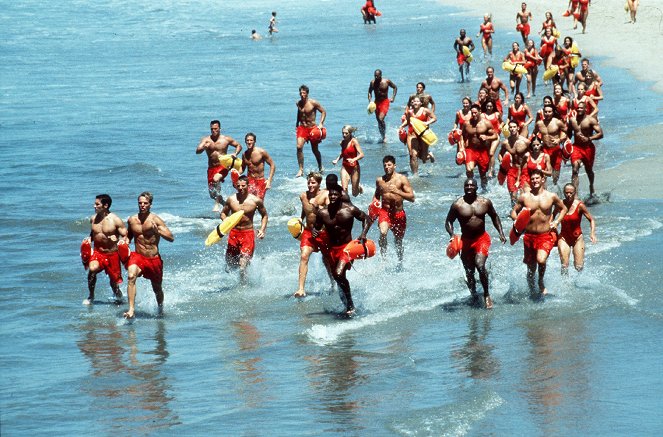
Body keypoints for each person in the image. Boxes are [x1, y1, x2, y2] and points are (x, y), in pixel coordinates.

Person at [313, 179, 371, 316]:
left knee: (338, 274)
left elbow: (366, 218)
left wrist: (363, 234)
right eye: (331, 195)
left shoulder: (349, 209)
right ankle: (346, 306)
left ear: (340, 195)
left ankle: (350, 305)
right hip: (332, 249)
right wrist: (315, 232)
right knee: (338, 277)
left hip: (347, 248)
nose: (333, 197)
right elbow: (316, 228)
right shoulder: (322, 213)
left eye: (335, 195)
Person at [445, 178, 506, 309]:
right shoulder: (457, 205)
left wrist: (501, 233)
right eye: (466, 185)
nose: (469, 187)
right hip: (465, 241)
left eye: (472, 185)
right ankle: (473, 295)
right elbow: (448, 221)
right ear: (463, 187)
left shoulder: (485, 202)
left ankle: (486, 294)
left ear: (477, 187)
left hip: (481, 239)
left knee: (480, 265)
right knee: (469, 272)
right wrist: (451, 235)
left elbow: (494, 216)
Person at [511, 169, 567, 298]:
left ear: (543, 179)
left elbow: (563, 208)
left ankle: (541, 281)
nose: (535, 181)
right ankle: (532, 292)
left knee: (541, 260)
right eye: (533, 179)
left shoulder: (551, 196)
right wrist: (517, 222)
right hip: (529, 236)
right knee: (531, 270)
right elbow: (514, 212)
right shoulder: (525, 197)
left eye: (537, 178)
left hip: (545, 235)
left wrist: (557, 221)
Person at [124, 192, 175, 319]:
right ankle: (131, 310)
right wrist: (125, 241)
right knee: (131, 276)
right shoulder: (131, 220)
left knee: (157, 288)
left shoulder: (155, 220)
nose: (142, 205)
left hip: (153, 259)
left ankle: (160, 308)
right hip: (138, 256)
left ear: (150, 205)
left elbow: (171, 238)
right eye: (140, 203)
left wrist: (158, 232)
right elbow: (128, 236)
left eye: (145, 203)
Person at [220, 175, 268, 284]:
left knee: (242, 264)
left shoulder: (256, 201)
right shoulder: (231, 199)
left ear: (248, 185)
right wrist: (226, 221)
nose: (240, 188)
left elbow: (264, 215)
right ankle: (243, 272)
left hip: (248, 234)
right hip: (234, 233)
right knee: (230, 263)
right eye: (238, 186)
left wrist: (262, 230)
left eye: (243, 186)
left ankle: (243, 285)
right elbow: (223, 213)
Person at [83, 194, 128, 305]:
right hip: (98, 253)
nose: (94, 206)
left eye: (97, 204)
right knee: (92, 269)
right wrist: (89, 238)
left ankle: (119, 296)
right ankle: (91, 296)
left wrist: (120, 240)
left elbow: (126, 235)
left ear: (105, 205)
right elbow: (93, 233)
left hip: (112, 254)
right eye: (95, 203)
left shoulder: (115, 220)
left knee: (114, 283)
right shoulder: (93, 219)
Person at [294, 172, 333, 298]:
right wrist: (301, 218)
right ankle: (300, 289)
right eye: (309, 182)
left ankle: (333, 283)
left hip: (323, 232)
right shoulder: (303, 195)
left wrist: (317, 205)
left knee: (327, 260)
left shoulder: (325, 194)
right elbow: (305, 209)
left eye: (313, 183)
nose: (310, 185)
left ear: (319, 183)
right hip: (308, 231)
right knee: (304, 255)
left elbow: (330, 212)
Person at [373, 155, 415, 269]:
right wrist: (374, 204)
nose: (387, 167)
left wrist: (398, 191)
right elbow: (377, 195)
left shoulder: (402, 179)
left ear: (394, 166)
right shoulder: (379, 180)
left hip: (398, 213)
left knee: (398, 240)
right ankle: (384, 259)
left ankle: (400, 261)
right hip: (385, 212)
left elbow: (412, 198)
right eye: (385, 165)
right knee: (383, 232)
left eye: (389, 165)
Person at [196, 120, 242, 211]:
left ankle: (216, 205)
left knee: (216, 179)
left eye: (216, 129)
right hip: (211, 168)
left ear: (220, 128)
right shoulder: (206, 140)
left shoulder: (226, 139)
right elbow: (197, 151)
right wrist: (203, 148)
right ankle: (227, 206)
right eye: (212, 129)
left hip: (223, 166)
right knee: (212, 194)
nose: (214, 131)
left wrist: (235, 153)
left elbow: (239, 146)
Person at [555, 183, 597, 275]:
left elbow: (591, 219)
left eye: (571, 193)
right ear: (564, 193)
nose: (568, 195)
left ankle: (579, 285)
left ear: (574, 193)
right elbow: (551, 217)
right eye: (566, 193)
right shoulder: (560, 204)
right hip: (563, 238)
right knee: (564, 266)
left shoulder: (580, 205)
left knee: (579, 267)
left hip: (577, 238)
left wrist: (592, 233)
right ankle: (565, 285)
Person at [568, 101, 603, 198]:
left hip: (588, 148)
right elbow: (569, 134)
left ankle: (591, 186)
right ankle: (575, 195)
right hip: (576, 147)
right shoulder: (572, 120)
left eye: (581, 108)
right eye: (577, 108)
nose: (579, 109)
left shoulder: (591, 120)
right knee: (575, 168)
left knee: (589, 171)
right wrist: (563, 142)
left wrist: (589, 138)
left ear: (585, 109)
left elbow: (600, 134)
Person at [460, 104, 497, 190]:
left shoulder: (486, 123)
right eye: (472, 113)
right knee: (469, 169)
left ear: (480, 112)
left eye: (475, 113)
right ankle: (471, 187)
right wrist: (461, 147)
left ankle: (484, 191)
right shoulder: (467, 123)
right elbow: (462, 136)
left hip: (483, 151)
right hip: (471, 150)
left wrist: (487, 137)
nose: (474, 115)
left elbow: (495, 135)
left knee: (483, 175)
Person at [532, 104, 567, 185]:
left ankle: (555, 187)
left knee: (555, 175)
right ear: (543, 112)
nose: (547, 113)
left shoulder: (557, 122)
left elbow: (566, 131)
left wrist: (559, 139)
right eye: (546, 112)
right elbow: (534, 134)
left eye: (549, 112)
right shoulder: (539, 123)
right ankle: (543, 191)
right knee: (543, 172)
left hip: (556, 150)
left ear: (552, 112)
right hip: (544, 149)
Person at [401, 96, 437, 175]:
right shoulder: (409, 112)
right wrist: (401, 127)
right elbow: (407, 121)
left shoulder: (425, 110)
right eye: (414, 101)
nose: (415, 103)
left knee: (423, 158)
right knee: (413, 155)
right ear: (412, 103)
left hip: (423, 134)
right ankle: (415, 174)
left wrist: (427, 123)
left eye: (417, 101)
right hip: (412, 135)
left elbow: (434, 118)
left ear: (421, 103)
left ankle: (429, 155)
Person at [295, 85, 326, 177]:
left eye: (303, 93)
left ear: (307, 93)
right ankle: (301, 169)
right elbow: (300, 113)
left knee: (315, 150)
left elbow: (323, 111)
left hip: (312, 128)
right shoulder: (299, 103)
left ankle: (320, 166)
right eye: (300, 93)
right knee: (299, 147)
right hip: (302, 128)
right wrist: (297, 122)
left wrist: (321, 123)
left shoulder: (313, 103)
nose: (302, 94)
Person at [241, 132, 276, 200]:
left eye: (251, 140)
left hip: (260, 181)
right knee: (248, 200)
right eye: (247, 140)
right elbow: (242, 168)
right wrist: (235, 173)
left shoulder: (261, 152)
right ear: (245, 142)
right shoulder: (244, 154)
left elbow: (272, 165)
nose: (249, 142)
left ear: (255, 141)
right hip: (250, 181)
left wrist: (269, 180)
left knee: (258, 201)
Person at [332, 125, 364, 197]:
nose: (344, 135)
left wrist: (353, 159)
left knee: (354, 193)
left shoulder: (354, 141)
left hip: (354, 167)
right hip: (345, 167)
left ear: (350, 133)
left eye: (346, 133)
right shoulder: (342, 142)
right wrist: (336, 160)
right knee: (344, 190)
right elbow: (343, 153)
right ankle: (346, 205)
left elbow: (362, 154)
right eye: (343, 133)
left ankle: (359, 188)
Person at [368, 69, 397, 143]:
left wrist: (393, 97)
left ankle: (384, 137)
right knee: (378, 121)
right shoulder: (372, 82)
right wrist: (370, 101)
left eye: (377, 76)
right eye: (375, 76)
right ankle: (383, 136)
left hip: (385, 102)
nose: (376, 77)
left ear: (381, 75)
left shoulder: (386, 81)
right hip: (376, 103)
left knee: (381, 119)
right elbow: (369, 92)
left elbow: (395, 87)